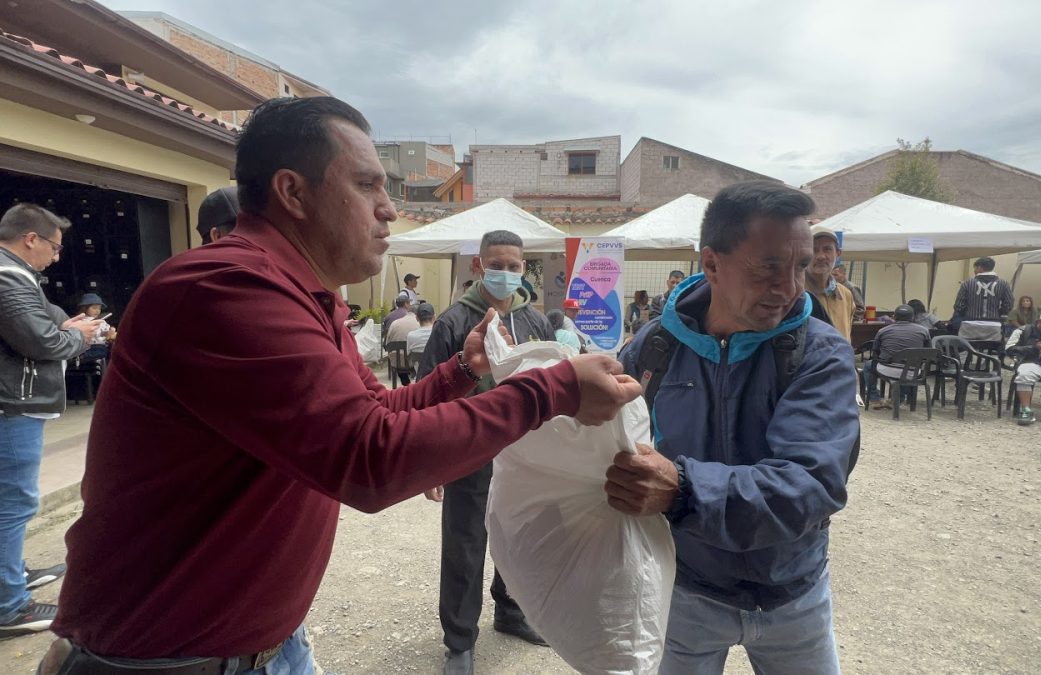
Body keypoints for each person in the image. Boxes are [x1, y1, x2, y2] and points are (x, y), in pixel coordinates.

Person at [40, 97, 640, 674]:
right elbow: (370, 459)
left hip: (266, 647)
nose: (387, 208)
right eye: (367, 185)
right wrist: (552, 391)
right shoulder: (224, 288)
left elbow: (377, 409)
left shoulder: (311, 297)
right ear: (292, 192)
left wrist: (462, 371)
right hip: (167, 663)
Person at [609, 181, 858, 674]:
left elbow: (810, 482)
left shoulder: (821, 355)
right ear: (712, 263)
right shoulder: (652, 351)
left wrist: (683, 491)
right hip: (685, 592)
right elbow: (614, 452)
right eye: (767, 266)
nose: (788, 287)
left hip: (794, 597)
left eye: (801, 266)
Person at [418, 230, 557, 675]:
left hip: (525, 453)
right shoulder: (454, 322)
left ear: (524, 269)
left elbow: (553, 379)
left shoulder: (534, 321)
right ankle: (459, 642)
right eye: (497, 265)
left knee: (518, 537)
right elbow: (427, 396)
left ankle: (511, 612)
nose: (506, 273)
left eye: (515, 266)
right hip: (470, 451)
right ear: (479, 266)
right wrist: (430, 464)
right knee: (466, 543)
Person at [0, 204, 101, 637]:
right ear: (30, 239)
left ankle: (12, 573)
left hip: (14, 403)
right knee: (14, 502)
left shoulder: (20, 277)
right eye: (55, 248)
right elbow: (42, 339)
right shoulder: (8, 277)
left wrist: (70, 327)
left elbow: (51, 319)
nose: (57, 257)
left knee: (10, 501)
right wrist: (78, 336)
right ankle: (9, 605)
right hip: (12, 406)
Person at [863, 304, 932, 409]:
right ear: (912, 317)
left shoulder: (883, 331)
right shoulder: (924, 331)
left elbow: (875, 353)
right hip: (913, 372)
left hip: (887, 370)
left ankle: (874, 398)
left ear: (894, 317)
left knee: (868, 365)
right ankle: (898, 399)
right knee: (906, 365)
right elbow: (928, 351)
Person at [805, 224, 856, 340]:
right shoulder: (794, 293)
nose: (821, 256)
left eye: (827, 249)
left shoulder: (845, 295)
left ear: (838, 254)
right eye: (814, 249)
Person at [951, 256, 1014, 341]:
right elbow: (1009, 304)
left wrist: (968, 313)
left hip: (970, 325)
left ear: (980, 267)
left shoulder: (967, 283)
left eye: (975, 268)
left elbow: (958, 306)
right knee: (988, 353)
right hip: (993, 326)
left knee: (967, 350)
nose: (974, 271)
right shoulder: (1004, 284)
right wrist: (997, 313)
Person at [383, 300, 420, 385]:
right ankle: (415, 383)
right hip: (413, 362)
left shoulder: (395, 323)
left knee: (399, 356)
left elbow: (388, 343)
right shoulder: (419, 323)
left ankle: (406, 384)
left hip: (397, 361)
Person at [73, 293, 115, 362]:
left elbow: (105, 332)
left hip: (102, 345)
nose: (97, 311)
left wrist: (110, 332)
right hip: (88, 347)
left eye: (99, 308)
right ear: (84, 308)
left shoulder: (102, 320)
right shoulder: (81, 320)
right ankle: (80, 357)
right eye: (94, 308)